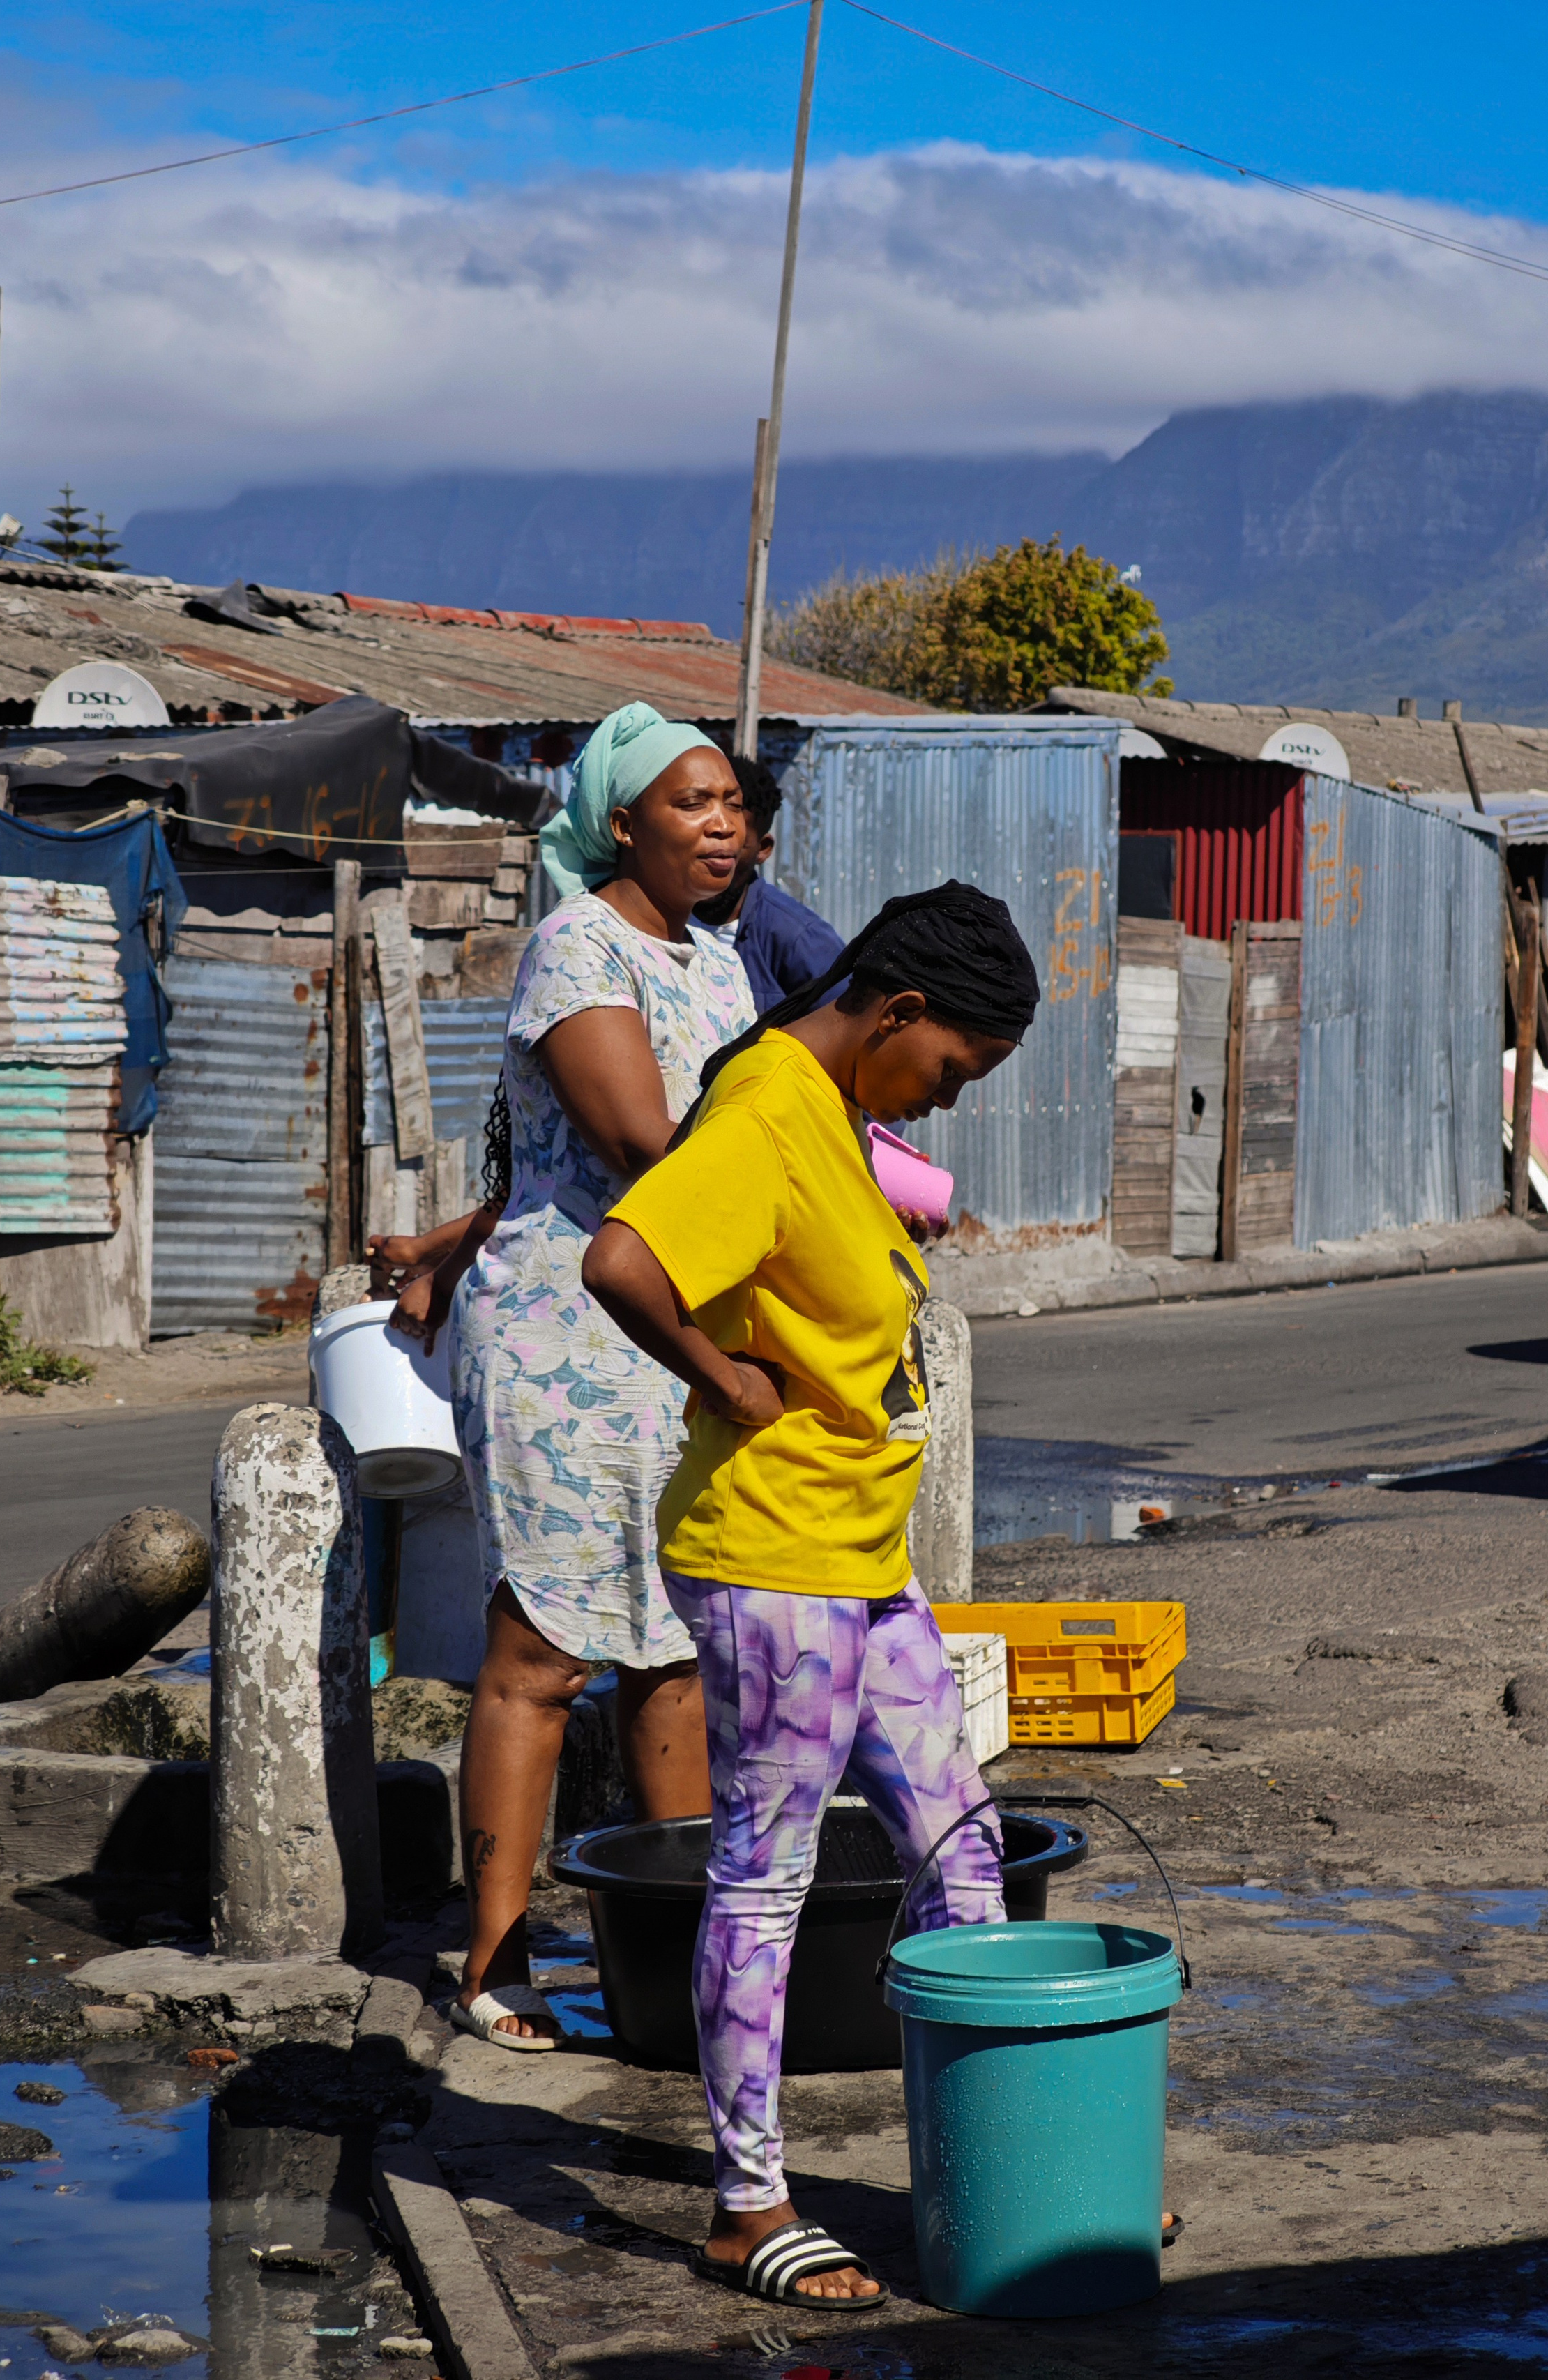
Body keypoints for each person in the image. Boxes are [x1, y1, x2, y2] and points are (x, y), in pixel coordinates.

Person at [580, 881, 1040, 2308]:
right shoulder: (769, 1110)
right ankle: (746, 2199)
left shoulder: (830, 1106)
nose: (948, 1101)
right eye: (951, 1069)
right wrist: (720, 1377)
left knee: (962, 1853)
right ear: (895, 1012)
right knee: (765, 1873)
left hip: (859, 1555)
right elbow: (622, 1256)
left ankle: (1000, 2168)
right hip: (766, 1558)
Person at [374, 700, 756, 2050]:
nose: (724, 824)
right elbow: (642, 1144)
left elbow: (548, 1171)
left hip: (671, 1335)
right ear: (622, 822)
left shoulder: (717, 960)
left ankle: (671, 1963)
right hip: (563, 1341)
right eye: (692, 802)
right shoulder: (575, 947)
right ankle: (491, 1959)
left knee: (670, 1647)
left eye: (733, 803)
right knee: (542, 1649)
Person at [692, 752, 845, 1010]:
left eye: (734, 844)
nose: (715, 854)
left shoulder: (800, 939)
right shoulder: (654, 920)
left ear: (763, 849)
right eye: (706, 837)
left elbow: (847, 1032)